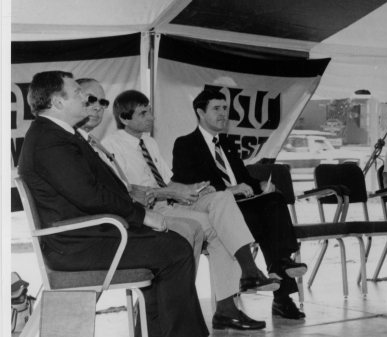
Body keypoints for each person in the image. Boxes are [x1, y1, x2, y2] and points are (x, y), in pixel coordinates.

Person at [18, 71, 209, 337]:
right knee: (175, 250)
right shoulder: (51, 141)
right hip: (79, 245)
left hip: (89, 236)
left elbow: (101, 189)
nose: (85, 98)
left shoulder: (58, 135)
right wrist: (142, 216)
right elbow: (90, 195)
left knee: (170, 246)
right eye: (77, 93)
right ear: (57, 102)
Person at [102, 89, 279, 330]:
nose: (151, 117)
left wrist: (196, 187)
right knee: (215, 228)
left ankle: (246, 276)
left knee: (220, 198)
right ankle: (229, 300)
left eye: (150, 111)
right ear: (124, 118)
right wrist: (172, 192)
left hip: (171, 203)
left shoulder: (149, 142)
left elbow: (169, 181)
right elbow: (126, 190)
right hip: (149, 212)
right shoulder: (111, 145)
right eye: (144, 113)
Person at [171, 89, 308, 320]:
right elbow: (189, 183)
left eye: (225, 108)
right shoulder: (185, 144)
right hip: (220, 212)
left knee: (274, 200)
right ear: (200, 112)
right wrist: (226, 190)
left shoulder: (227, 142)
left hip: (245, 208)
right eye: (216, 108)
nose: (223, 114)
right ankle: (282, 296)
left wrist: (261, 184)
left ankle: (281, 264)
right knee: (267, 225)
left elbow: (243, 179)